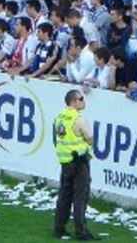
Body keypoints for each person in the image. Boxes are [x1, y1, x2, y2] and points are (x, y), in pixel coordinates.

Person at [53, 89, 97, 240]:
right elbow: (90, 139)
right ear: (73, 102)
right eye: (81, 98)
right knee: (80, 198)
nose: (83, 101)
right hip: (79, 163)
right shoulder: (78, 119)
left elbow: (56, 139)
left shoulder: (60, 117)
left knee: (64, 196)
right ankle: (81, 231)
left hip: (65, 162)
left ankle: (59, 228)